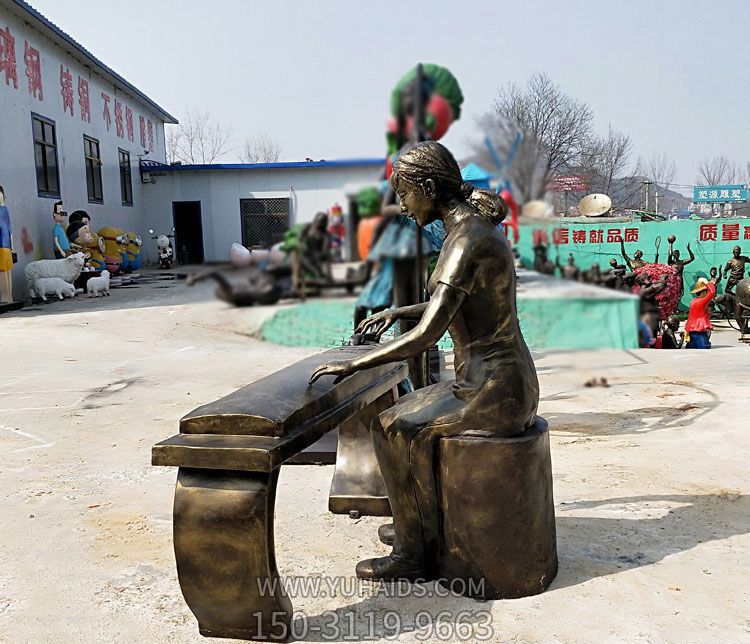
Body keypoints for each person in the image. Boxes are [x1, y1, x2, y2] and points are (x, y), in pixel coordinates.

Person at [309, 141, 539, 581]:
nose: (401, 205)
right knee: (392, 420)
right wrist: (396, 311)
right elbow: (446, 307)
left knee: (395, 429)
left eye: (404, 194)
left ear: (430, 188)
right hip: (487, 380)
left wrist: (355, 364)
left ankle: (416, 555)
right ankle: (419, 531)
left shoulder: (467, 241)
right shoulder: (468, 232)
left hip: (500, 388)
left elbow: (429, 334)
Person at [685, 276, 718, 349]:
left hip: (691, 328)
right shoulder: (702, 301)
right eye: (706, 291)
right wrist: (708, 283)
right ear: (703, 292)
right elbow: (712, 292)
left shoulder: (694, 301)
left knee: (692, 346)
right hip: (700, 329)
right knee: (703, 346)